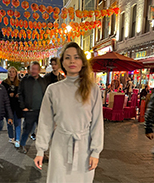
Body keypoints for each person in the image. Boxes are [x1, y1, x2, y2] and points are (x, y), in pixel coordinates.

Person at [34, 42, 104, 183]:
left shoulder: (92, 89)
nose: (72, 61)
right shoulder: (53, 90)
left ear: (83, 62)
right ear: (62, 63)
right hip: (60, 146)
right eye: (67, 57)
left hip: (84, 148)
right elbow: (45, 122)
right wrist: (41, 149)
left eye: (76, 57)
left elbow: (97, 122)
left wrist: (95, 151)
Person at [18, 61, 47, 153]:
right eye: (32, 69)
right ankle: (22, 145)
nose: (33, 71)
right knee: (27, 130)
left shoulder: (42, 81)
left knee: (42, 132)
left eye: (35, 69)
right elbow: (20, 94)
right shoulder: (25, 80)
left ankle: (42, 151)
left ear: (39, 70)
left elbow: (46, 94)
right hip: (29, 111)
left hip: (41, 111)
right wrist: (23, 107)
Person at [2, 66, 23, 148]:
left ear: (16, 73)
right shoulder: (4, 83)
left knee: (17, 123)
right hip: (8, 106)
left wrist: (19, 95)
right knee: (9, 123)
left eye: (13, 71)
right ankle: (11, 137)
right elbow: (2, 94)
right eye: (10, 71)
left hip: (17, 106)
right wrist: (8, 95)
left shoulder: (19, 83)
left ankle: (17, 139)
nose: (11, 73)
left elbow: (23, 93)